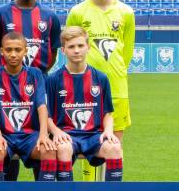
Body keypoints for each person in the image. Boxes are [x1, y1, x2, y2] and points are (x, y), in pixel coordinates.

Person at [0, 0, 60, 181]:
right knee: (6, 148)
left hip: (37, 84)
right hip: (6, 86)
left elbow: (52, 53)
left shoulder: (50, 17)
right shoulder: (1, 15)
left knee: (40, 140)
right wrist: (9, 72)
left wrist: (34, 71)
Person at [66, 0, 134, 180]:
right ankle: (89, 190)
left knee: (114, 143)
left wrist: (114, 72)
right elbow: (70, 44)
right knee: (88, 142)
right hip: (85, 90)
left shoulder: (126, 13)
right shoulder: (78, 12)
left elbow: (127, 52)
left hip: (117, 87)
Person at [46, 26, 123, 181]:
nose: (76, 50)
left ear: (88, 47)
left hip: (94, 136)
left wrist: (108, 131)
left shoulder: (101, 78)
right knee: (63, 148)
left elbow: (107, 113)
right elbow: (46, 116)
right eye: (71, 46)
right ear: (63, 50)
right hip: (66, 135)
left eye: (80, 46)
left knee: (115, 148)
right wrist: (56, 132)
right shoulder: (53, 79)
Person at [0, 32, 56, 181]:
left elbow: (42, 105)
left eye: (18, 49)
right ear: (2, 51)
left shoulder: (35, 74)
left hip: (30, 135)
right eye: (8, 50)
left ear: (25, 51)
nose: (13, 54)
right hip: (4, 135)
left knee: (48, 151)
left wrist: (43, 134)